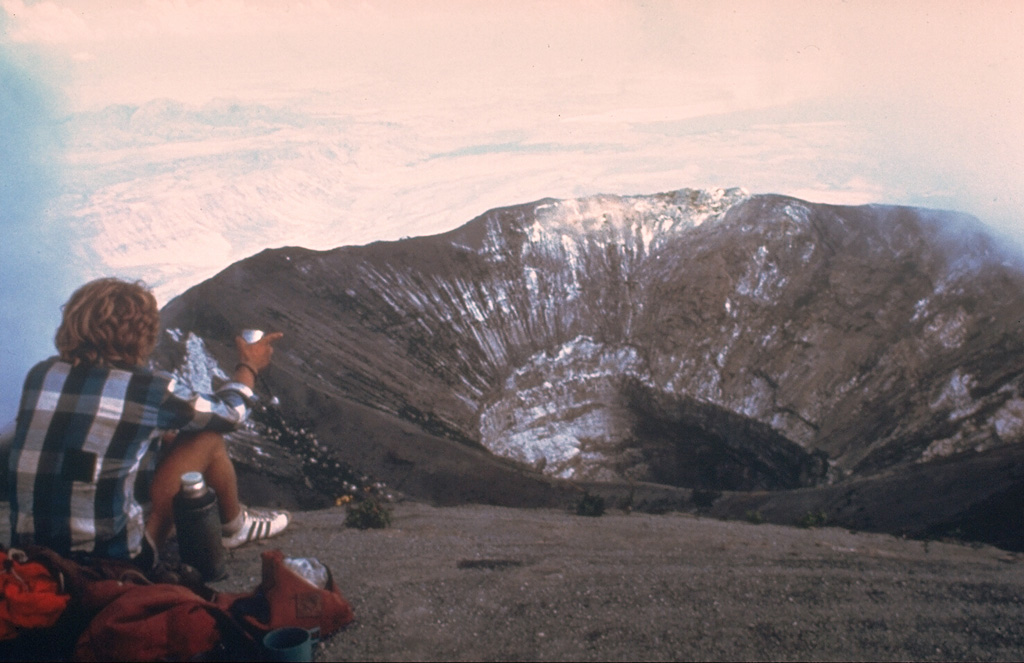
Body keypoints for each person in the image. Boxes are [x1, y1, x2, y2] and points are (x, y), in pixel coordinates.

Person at [6, 277, 289, 568]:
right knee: (207, 438)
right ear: (143, 333)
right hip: (114, 562)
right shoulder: (147, 388)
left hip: (32, 558)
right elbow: (231, 415)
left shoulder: (41, 375)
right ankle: (234, 527)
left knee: (160, 439)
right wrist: (249, 366)